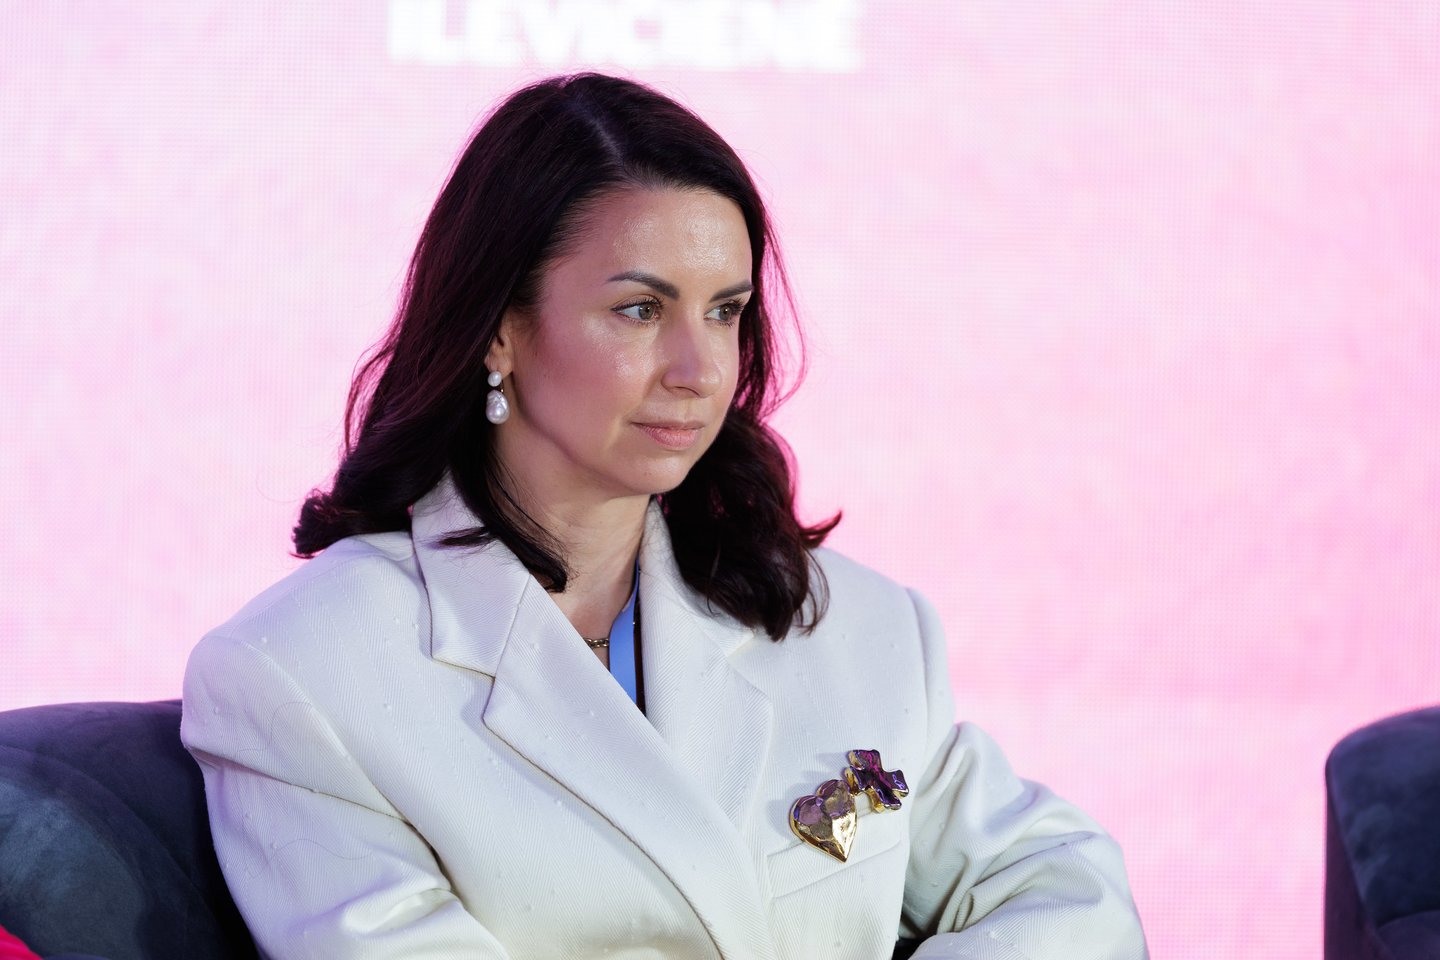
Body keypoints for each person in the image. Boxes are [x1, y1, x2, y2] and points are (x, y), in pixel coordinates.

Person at [181, 72, 1148, 959]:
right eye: (641, 310)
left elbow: (1071, 896)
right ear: (500, 330)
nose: (700, 370)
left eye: (725, 311)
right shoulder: (302, 675)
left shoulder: (854, 625)